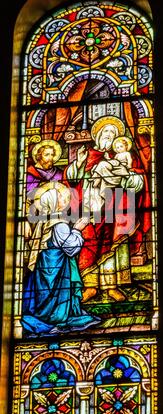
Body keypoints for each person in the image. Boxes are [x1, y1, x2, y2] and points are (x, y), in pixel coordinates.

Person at [65, 116, 145, 303]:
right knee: (89, 242)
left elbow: (139, 181)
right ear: (98, 135)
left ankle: (111, 285)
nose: (108, 136)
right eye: (105, 132)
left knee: (113, 243)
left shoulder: (124, 156)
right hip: (89, 206)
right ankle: (90, 285)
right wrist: (78, 163)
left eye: (113, 133)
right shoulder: (88, 154)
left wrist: (125, 176)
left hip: (114, 206)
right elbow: (71, 177)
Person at [21, 183, 100, 336]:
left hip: (46, 266)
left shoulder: (45, 222)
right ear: (55, 203)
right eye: (64, 199)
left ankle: (47, 313)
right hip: (57, 270)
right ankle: (56, 316)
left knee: (46, 293)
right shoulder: (59, 224)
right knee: (55, 295)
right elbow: (71, 248)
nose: (67, 201)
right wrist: (78, 229)